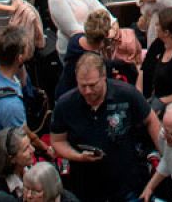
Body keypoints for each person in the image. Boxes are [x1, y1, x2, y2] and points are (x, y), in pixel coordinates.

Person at [50, 53, 163, 202]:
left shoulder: (126, 94)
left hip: (127, 184)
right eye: (82, 85)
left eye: (92, 85)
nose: (87, 91)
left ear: (104, 77)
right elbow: (57, 141)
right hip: (86, 187)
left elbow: (150, 120)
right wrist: (78, 156)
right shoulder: (66, 104)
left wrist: (166, 156)